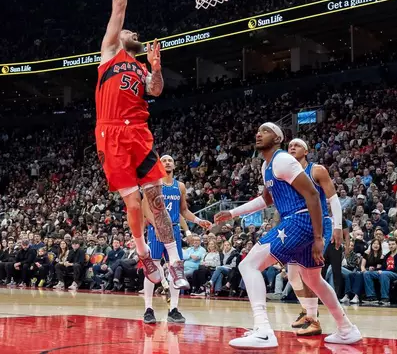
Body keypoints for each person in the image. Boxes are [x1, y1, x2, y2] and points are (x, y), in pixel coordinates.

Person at [214, 123, 361, 348]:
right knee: (312, 279)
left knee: (248, 265)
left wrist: (319, 237)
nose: (258, 133)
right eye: (258, 130)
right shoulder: (267, 166)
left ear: (277, 138)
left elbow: (312, 194)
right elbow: (266, 200)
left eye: (265, 131)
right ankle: (346, 329)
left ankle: (263, 330)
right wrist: (233, 212)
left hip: (300, 219)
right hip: (301, 222)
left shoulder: (283, 160)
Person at [94, 0, 187, 289]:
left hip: (139, 134)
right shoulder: (109, 54)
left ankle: (175, 260)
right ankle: (143, 252)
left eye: (133, 33)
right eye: (128, 32)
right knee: (133, 202)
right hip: (111, 133)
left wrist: (156, 68)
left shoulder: (138, 68)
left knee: (156, 199)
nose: (132, 33)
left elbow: (156, 89)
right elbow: (119, 6)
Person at [285, 138, 345, 336]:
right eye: (289, 145)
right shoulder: (286, 174)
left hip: (317, 225)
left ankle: (315, 318)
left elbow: (333, 200)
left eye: (297, 145)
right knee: (293, 274)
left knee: (310, 275)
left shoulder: (316, 170)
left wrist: (338, 226)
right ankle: (307, 310)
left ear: (306, 150)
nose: (292, 147)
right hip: (296, 225)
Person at [141, 155, 211, 324]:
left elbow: (184, 211)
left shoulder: (179, 186)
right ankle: (148, 309)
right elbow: (145, 209)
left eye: (170, 160)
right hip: (156, 230)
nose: (167, 162)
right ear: (159, 164)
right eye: (164, 160)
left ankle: (174, 309)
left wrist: (198, 221)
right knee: (153, 268)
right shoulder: (152, 184)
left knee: (176, 268)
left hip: (173, 230)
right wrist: (156, 226)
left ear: (174, 165)